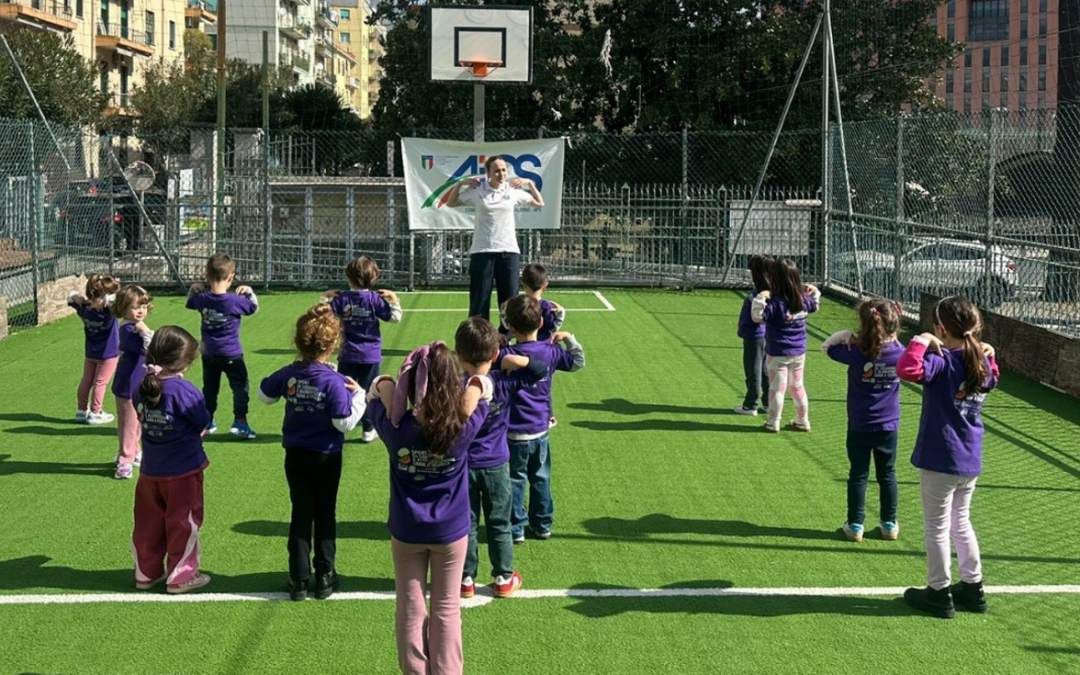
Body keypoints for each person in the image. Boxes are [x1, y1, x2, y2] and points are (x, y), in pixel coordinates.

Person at [367, 342, 491, 675]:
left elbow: (376, 389)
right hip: (450, 530)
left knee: (409, 607)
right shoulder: (461, 427)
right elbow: (483, 388)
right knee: (447, 608)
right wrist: (474, 384)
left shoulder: (396, 429)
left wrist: (389, 385)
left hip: (406, 529)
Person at [897, 296, 998, 619]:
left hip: (941, 457)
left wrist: (920, 340)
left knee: (938, 526)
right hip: (969, 458)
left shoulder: (943, 360)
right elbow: (993, 376)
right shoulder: (980, 362)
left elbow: (907, 369)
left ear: (941, 328)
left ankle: (938, 591)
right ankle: (973, 585)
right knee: (961, 521)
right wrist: (988, 351)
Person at [258, 304, 366, 601]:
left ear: (298, 342)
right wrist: (359, 396)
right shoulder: (335, 381)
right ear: (333, 345)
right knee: (326, 512)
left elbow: (264, 394)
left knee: (301, 512)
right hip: (327, 455)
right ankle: (325, 576)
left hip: (295, 454)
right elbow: (343, 422)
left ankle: (298, 578)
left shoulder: (291, 372)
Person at [454, 317, 547, 600]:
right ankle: (503, 577)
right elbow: (540, 371)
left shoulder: (456, 385)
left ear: (459, 354)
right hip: (496, 464)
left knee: (466, 525)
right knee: (499, 522)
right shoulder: (503, 381)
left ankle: (465, 579)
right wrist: (514, 359)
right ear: (495, 354)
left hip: (462, 466)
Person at [131, 325, 212, 594]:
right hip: (183, 471)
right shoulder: (183, 391)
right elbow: (202, 420)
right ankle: (181, 576)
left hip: (150, 471)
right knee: (183, 521)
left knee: (147, 522)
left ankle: (146, 573)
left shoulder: (140, 387)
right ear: (184, 363)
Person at [501, 295, 585, 543]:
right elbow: (578, 362)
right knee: (541, 477)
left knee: (515, 479)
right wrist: (569, 338)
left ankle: (516, 528)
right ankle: (543, 524)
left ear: (511, 326)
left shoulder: (506, 354)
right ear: (540, 322)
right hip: (540, 429)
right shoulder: (551, 351)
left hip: (512, 431)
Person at [821, 298, 904, 543]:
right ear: (894, 324)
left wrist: (845, 335)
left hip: (859, 424)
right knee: (887, 473)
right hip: (889, 425)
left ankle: (855, 524)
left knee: (858, 474)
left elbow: (826, 348)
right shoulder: (901, 354)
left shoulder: (855, 352)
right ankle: (889, 524)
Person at [445, 156, 544, 326]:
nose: (501, 173)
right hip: (482, 251)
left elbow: (539, 203)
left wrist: (529, 183)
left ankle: (506, 337)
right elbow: (451, 203)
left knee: (510, 300)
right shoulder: (478, 190)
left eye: (504, 169)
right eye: (497, 170)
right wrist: (460, 184)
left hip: (509, 251)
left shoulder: (512, 190)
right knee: (480, 299)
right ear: (488, 172)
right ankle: (480, 339)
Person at [322, 255, 402, 443]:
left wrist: (324, 298)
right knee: (368, 392)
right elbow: (394, 318)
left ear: (349, 278)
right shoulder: (374, 299)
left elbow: (324, 317)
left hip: (347, 353)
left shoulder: (342, 299)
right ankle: (368, 429)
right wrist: (394, 299)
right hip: (370, 355)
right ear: (374, 279)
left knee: (343, 390)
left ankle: (339, 423)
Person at [186, 252, 259, 439]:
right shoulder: (235, 301)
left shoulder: (202, 298)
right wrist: (249, 291)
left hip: (208, 353)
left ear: (206, 276)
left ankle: (208, 421)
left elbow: (190, 302)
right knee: (240, 387)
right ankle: (240, 422)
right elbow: (253, 308)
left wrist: (193, 289)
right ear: (231, 277)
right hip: (232, 353)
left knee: (210, 388)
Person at [751, 258, 820, 433]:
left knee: (777, 388)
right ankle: (802, 420)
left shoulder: (775, 303)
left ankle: (773, 422)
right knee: (797, 386)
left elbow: (757, 317)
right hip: (798, 352)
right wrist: (815, 290)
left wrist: (760, 298)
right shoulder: (804, 300)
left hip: (777, 352)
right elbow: (815, 304)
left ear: (774, 279)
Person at [111, 285, 154, 480]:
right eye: (135, 307)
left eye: (144, 307)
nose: (140, 311)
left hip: (138, 384)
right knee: (129, 423)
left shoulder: (134, 327)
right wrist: (147, 331)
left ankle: (134, 451)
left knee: (138, 421)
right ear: (123, 307)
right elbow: (148, 349)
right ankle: (125, 460)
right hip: (128, 385)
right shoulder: (128, 329)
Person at [68, 273, 120, 425]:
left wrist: (79, 297)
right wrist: (110, 291)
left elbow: (70, 295)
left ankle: (82, 411)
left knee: (87, 380)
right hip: (108, 353)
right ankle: (96, 412)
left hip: (90, 352)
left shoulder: (83, 307)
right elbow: (117, 299)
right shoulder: (107, 311)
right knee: (100, 383)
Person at [733, 255, 772, 417]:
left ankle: (750, 404)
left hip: (754, 336)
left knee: (753, 370)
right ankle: (768, 403)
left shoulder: (762, 293)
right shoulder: (766, 289)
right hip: (762, 336)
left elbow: (758, 315)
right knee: (763, 370)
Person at [499, 263, 565, 343]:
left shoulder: (519, 304)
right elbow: (552, 329)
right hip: (544, 349)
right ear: (545, 286)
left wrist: (503, 309)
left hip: (522, 349)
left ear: (523, 284)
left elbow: (507, 326)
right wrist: (561, 313)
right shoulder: (547, 306)